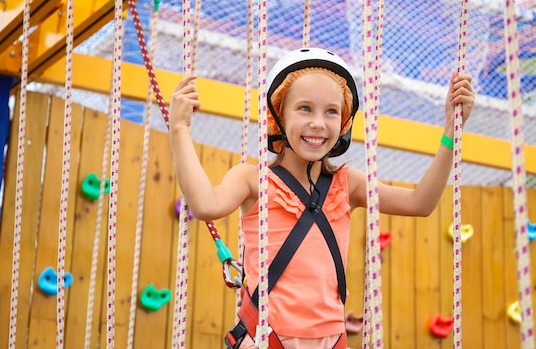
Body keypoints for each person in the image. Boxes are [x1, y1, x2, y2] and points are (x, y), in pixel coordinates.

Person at [168, 47, 475, 349]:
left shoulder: (348, 184)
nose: (318, 122)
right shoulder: (252, 179)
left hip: (332, 341)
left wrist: (451, 131)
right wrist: (180, 128)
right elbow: (206, 205)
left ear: (343, 123)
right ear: (278, 116)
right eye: (305, 108)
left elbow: (419, 203)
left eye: (331, 112)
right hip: (266, 338)